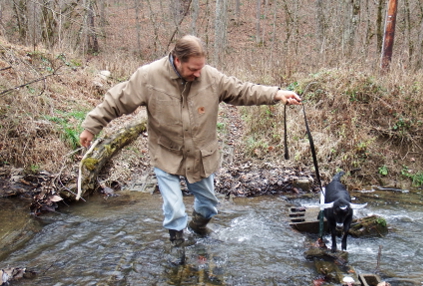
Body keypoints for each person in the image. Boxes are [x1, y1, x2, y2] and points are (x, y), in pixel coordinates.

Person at [79, 35, 301, 246]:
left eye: (201, 68)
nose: (198, 73)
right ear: (177, 60)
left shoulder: (211, 77)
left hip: (200, 156)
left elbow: (243, 90)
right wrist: (91, 126)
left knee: (208, 206)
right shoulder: (148, 77)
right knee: (175, 211)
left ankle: (197, 229)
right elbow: (116, 101)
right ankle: (178, 247)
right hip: (166, 154)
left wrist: (276, 94)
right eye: (193, 69)